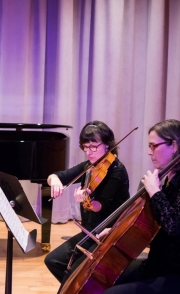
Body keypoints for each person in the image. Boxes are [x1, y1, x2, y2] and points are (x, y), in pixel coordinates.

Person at [91, 119, 180, 294]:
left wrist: (154, 191)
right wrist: (116, 232)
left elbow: (172, 226)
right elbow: (149, 225)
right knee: (105, 276)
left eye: (154, 146)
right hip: (160, 265)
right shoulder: (169, 182)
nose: (150, 152)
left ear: (173, 146)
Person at [45, 121, 130, 284]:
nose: (88, 152)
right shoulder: (90, 166)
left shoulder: (117, 170)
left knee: (78, 272)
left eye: (93, 147)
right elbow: (57, 175)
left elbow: (100, 206)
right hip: (90, 231)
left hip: (108, 234)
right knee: (52, 260)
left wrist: (86, 199)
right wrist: (55, 181)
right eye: (85, 147)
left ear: (107, 145)